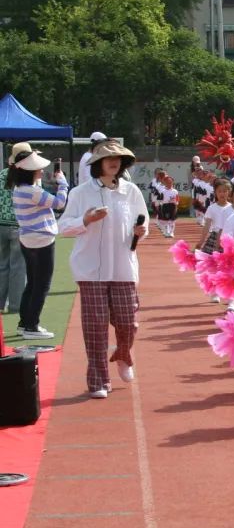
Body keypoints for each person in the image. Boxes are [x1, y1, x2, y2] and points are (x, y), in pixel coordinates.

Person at [57, 139, 148, 398]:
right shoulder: (80, 193)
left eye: (118, 159)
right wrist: (85, 219)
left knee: (128, 321)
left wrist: (141, 231)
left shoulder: (130, 191)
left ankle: (123, 354)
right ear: (97, 164)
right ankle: (98, 379)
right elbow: (63, 228)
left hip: (123, 266)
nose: (113, 162)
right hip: (91, 269)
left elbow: (144, 221)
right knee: (95, 325)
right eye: (108, 158)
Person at [8, 143, 69, 340]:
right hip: (41, 239)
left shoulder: (20, 188)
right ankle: (31, 325)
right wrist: (63, 184)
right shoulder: (32, 191)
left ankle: (25, 323)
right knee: (41, 284)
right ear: (30, 171)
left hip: (28, 238)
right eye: (38, 168)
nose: (42, 170)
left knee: (33, 283)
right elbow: (59, 203)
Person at [0, 159, 26, 315]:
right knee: (18, 267)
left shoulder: (2, 174)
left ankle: (1, 303)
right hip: (18, 225)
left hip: (1, 224)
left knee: (2, 265)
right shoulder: (26, 177)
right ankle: (16, 305)